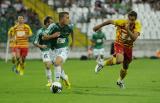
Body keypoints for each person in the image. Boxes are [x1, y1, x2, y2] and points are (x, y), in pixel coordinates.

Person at [93, 11, 142, 88]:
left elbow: (134, 38)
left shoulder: (137, 25)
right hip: (119, 43)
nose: (130, 21)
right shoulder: (122, 22)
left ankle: (120, 81)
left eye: (132, 20)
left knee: (125, 66)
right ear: (127, 18)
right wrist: (99, 26)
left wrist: (127, 29)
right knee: (119, 60)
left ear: (135, 19)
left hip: (129, 47)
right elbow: (109, 21)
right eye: (129, 19)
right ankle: (102, 63)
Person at [43, 12, 74, 89]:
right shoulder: (53, 26)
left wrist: (73, 42)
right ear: (61, 18)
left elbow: (72, 32)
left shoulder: (69, 26)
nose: (68, 19)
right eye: (67, 17)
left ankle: (56, 83)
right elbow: (44, 37)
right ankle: (65, 78)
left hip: (64, 49)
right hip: (53, 50)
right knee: (58, 65)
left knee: (57, 63)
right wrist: (53, 36)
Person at [33, 16, 54, 86]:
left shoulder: (54, 30)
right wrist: (41, 46)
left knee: (57, 65)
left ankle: (64, 78)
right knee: (47, 66)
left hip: (54, 50)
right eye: (51, 22)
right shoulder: (40, 31)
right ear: (47, 23)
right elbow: (35, 42)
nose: (52, 24)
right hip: (45, 50)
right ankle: (50, 81)